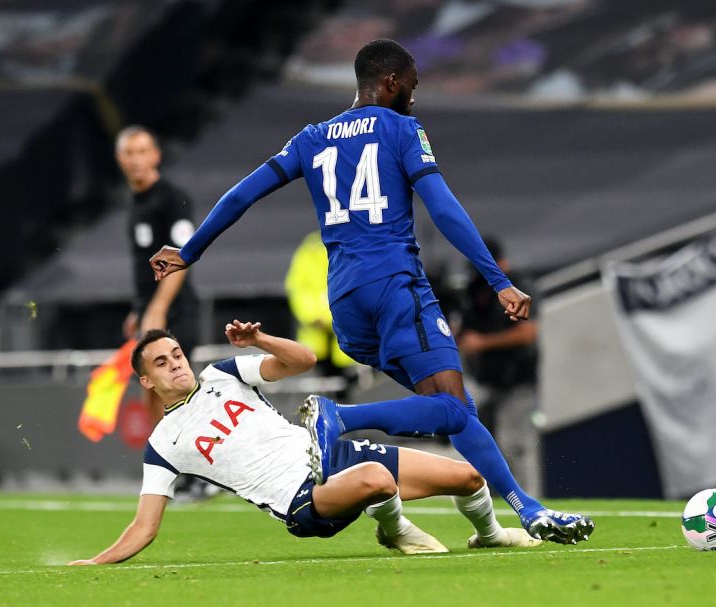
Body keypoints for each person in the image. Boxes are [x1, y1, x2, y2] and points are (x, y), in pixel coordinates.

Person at [149, 39, 593, 544]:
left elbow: (242, 193)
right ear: (390, 83)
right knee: (450, 407)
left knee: (452, 406)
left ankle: (527, 509)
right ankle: (341, 416)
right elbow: (443, 208)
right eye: (411, 86)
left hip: (347, 306)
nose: (413, 96)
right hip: (395, 287)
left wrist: (191, 250)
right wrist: (499, 280)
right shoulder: (403, 129)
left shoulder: (312, 138)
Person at [68, 322, 540, 565]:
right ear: (146, 381)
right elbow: (144, 527)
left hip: (336, 459)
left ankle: (491, 536)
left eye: (176, 354)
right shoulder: (162, 444)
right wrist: (95, 561)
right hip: (302, 501)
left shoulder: (223, 374)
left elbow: (304, 360)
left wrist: (261, 340)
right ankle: (395, 529)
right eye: (161, 363)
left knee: (468, 477)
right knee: (376, 479)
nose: (175, 364)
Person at [116, 125, 200, 426]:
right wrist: (139, 310)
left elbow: (181, 255)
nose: (136, 159)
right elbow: (146, 264)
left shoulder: (171, 198)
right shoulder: (137, 202)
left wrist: (157, 309)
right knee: (150, 387)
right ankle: (165, 463)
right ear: (119, 158)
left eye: (142, 151)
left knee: (175, 386)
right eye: (129, 152)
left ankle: (189, 464)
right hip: (150, 311)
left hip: (175, 311)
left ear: (155, 155)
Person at [456, 237, 541, 494]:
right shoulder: (473, 291)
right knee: (482, 446)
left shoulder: (518, 286)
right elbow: (463, 330)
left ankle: (526, 502)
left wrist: (483, 343)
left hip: (517, 381)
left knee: (512, 445)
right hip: (484, 380)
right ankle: (491, 505)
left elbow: (528, 333)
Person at [285, 230, 357, 388]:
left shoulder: (354, 248)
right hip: (316, 343)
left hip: (350, 347)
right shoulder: (309, 251)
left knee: (351, 389)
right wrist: (314, 316)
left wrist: (330, 317)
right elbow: (297, 289)